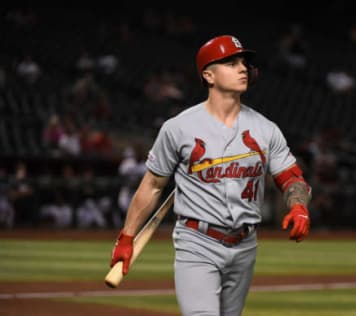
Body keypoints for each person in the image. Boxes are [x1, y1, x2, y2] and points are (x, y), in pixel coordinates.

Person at [109, 35, 312, 316]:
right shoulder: (178, 128)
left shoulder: (266, 130)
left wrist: (298, 206)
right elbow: (153, 185)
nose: (242, 68)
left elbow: (292, 177)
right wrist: (127, 237)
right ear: (209, 75)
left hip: (245, 245)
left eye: (243, 62)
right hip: (197, 243)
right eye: (231, 63)